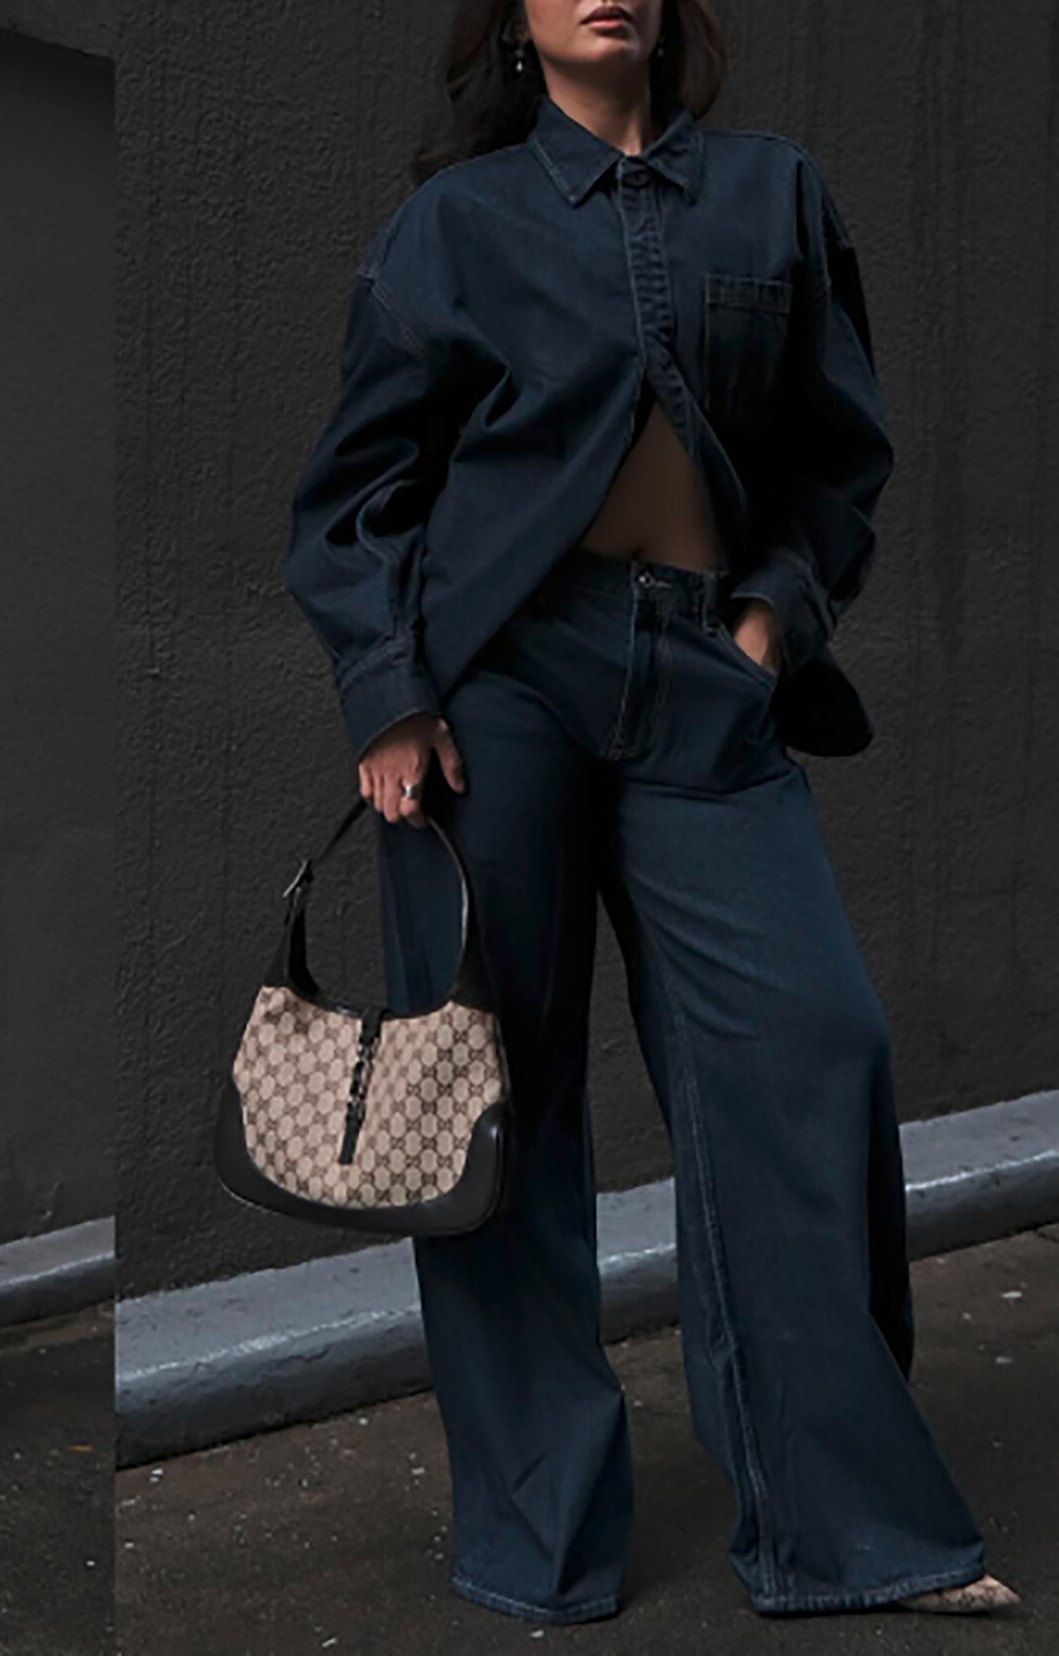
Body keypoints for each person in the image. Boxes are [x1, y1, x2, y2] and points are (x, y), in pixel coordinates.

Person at [282, 0, 1018, 1624]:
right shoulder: (449, 228)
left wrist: (770, 624)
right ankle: (539, 1537)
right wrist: (389, 693)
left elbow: (840, 459)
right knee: (493, 1105)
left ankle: (850, 1530)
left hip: (703, 684)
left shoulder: (775, 196)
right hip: (499, 691)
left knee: (812, 1051)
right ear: (516, 21)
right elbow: (354, 494)